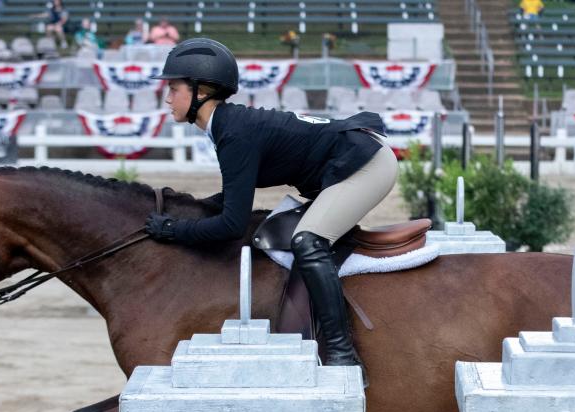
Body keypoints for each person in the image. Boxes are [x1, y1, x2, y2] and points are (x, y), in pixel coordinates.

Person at [143, 38, 398, 377]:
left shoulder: (233, 133)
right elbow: (231, 197)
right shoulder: (229, 126)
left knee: (308, 241)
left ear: (201, 90)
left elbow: (232, 225)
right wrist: (190, 210)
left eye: (174, 88)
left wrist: (175, 230)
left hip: (366, 164)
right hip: (350, 159)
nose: (167, 97)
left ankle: (343, 355)